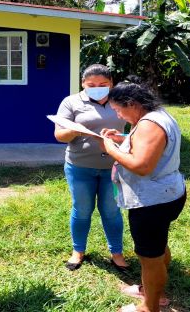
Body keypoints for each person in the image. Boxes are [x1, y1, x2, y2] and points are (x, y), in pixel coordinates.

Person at [100, 80, 186, 312]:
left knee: (149, 257)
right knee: (157, 245)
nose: (118, 115)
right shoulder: (158, 114)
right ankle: (150, 291)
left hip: (152, 201)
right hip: (168, 193)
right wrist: (122, 139)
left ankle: (150, 306)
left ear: (132, 103)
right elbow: (150, 147)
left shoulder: (149, 125)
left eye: (119, 109)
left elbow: (142, 165)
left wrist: (111, 149)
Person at [54, 64, 129, 272]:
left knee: (112, 211)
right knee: (82, 209)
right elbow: (59, 135)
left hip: (113, 167)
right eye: (91, 84)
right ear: (83, 84)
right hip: (80, 167)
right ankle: (78, 251)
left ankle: (117, 253)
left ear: (111, 83)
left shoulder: (120, 100)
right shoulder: (71, 102)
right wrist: (76, 131)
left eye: (103, 84)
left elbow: (136, 130)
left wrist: (119, 138)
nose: (97, 87)